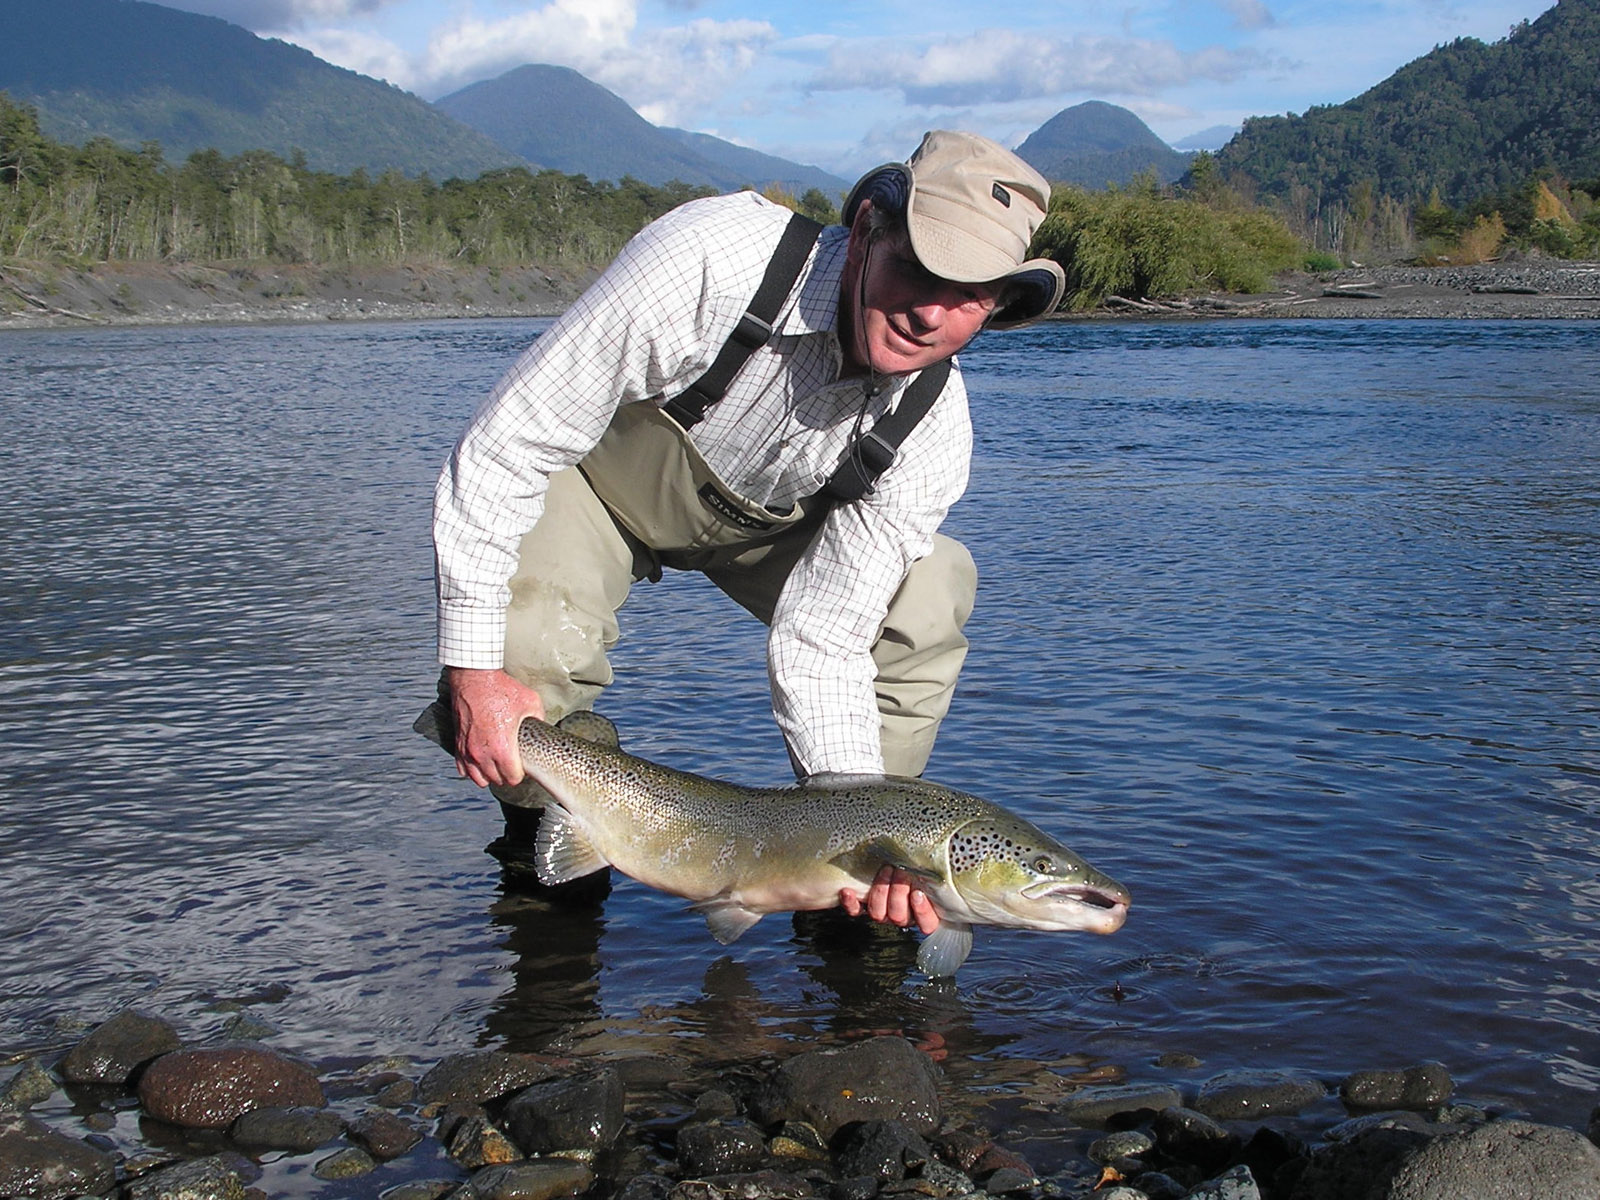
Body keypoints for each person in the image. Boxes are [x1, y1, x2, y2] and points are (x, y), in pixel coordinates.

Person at [427, 129, 1064, 932]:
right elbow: (505, 447)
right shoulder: (710, 259)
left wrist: (867, 838)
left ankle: (844, 890)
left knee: (930, 592)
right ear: (868, 227)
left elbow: (823, 638)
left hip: (760, 532)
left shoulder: (935, 431)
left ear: (1000, 303)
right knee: (520, 648)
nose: (930, 312)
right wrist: (472, 668)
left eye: (970, 294)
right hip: (595, 485)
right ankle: (548, 857)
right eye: (919, 269)